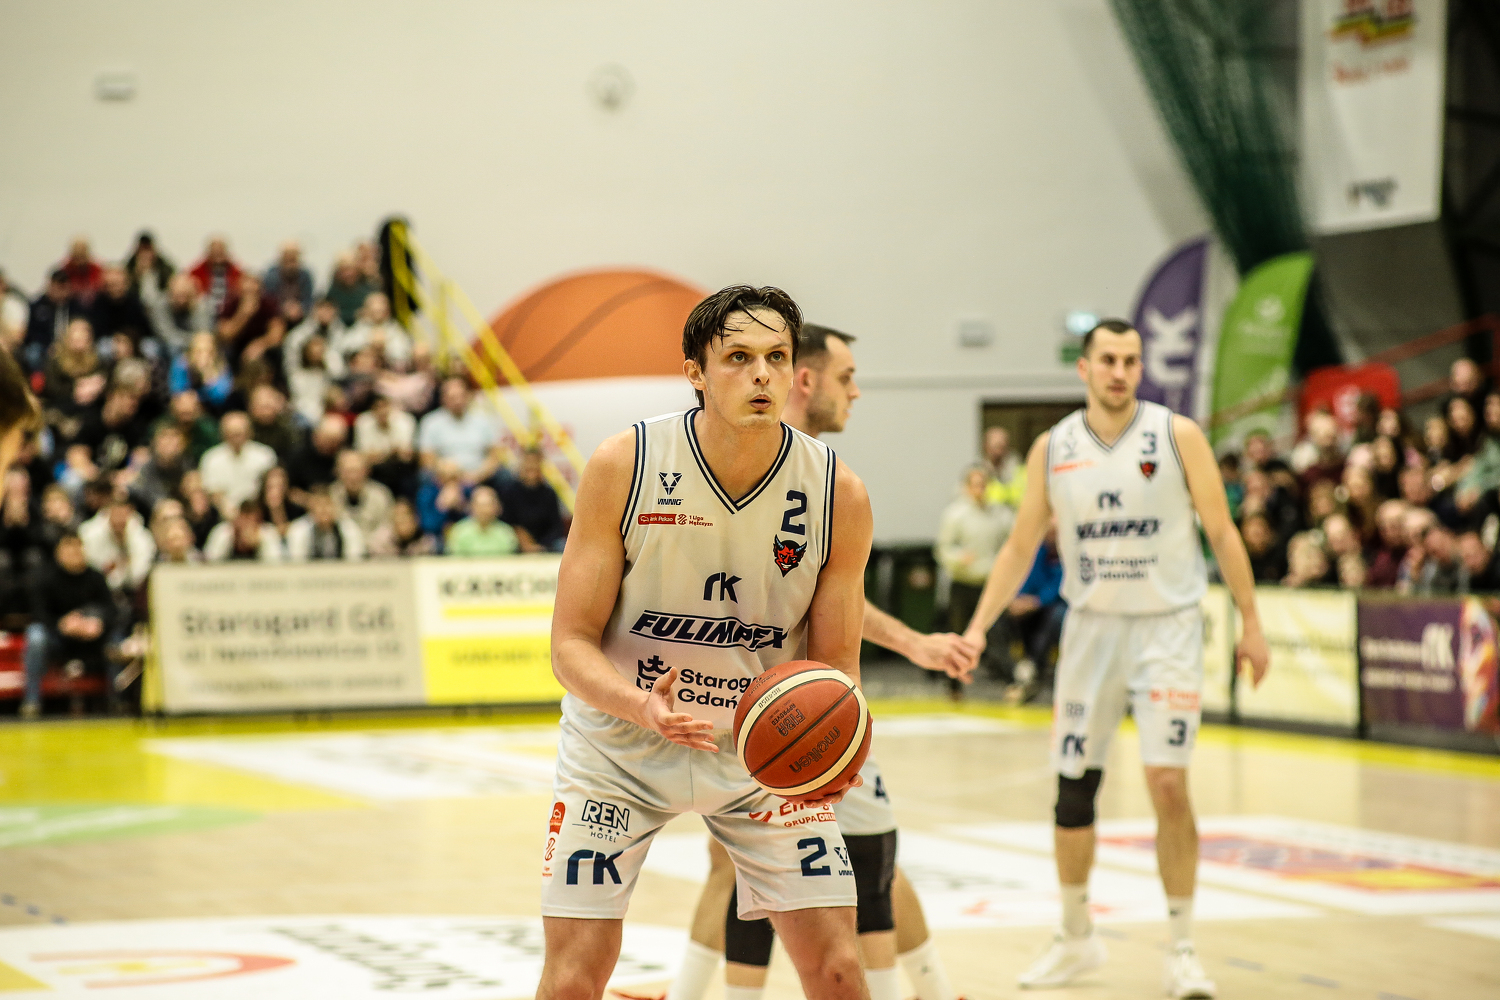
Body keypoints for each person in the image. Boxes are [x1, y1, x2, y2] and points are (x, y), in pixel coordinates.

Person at [535, 286, 873, 1000]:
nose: (761, 374)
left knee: (840, 969)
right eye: (738, 358)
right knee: (572, 980)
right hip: (619, 747)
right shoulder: (624, 464)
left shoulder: (837, 492)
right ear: (695, 371)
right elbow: (570, 646)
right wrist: (639, 705)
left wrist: (839, 748)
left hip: (763, 752)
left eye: (776, 357)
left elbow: (837, 666)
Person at [661, 321, 974, 1000]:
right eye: (847, 377)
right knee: (806, 861)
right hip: (774, 706)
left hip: (805, 704)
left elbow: (839, 597)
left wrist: (911, 643)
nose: (856, 392)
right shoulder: (729, 469)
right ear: (808, 380)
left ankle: (930, 989)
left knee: (860, 860)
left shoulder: (828, 479)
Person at [962, 319, 1269, 998]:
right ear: (1085, 367)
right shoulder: (1053, 447)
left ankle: (1182, 948)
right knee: (1075, 787)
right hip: (1091, 632)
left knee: (1168, 784)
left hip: (1168, 629)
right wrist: (979, 627)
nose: (1120, 371)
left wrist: (1252, 621)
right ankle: (1076, 937)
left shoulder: (1177, 435)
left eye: (1131, 360)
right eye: (1108, 359)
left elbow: (1222, 531)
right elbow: (1018, 546)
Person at [22, 533, 115, 719]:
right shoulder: (45, 578)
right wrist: (61, 624)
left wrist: (98, 623)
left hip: (91, 638)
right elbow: (38, 613)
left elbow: (111, 610)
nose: (74, 553)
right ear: (58, 553)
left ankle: (116, 700)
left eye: (77, 548)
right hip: (57, 638)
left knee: (117, 642)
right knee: (35, 636)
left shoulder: (96, 577)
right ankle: (32, 700)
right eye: (68, 549)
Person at [937, 465, 1014, 682]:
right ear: (967, 487)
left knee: (998, 634)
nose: (981, 489)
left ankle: (1008, 682)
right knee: (957, 634)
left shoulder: (1001, 515)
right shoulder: (955, 515)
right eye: (976, 485)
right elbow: (943, 548)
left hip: (990, 585)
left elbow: (1011, 546)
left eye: (984, 484)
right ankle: (954, 684)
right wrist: (958, 558)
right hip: (963, 582)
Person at [417, 376, 501, 483]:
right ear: (443, 399)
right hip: (444, 475)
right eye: (452, 397)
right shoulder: (430, 422)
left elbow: (494, 455)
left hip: (480, 474)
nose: (457, 401)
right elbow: (426, 459)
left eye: (461, 396)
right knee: (424, 476)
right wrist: (445, 470)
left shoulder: (484, 420)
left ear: (469, 395)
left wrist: (479, 474)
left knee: (505, 476)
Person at [198, 412, 278, 517]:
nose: (236, 437)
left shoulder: (264, 455)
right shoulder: (211, 458)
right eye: (232, 433)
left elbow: (272, 489)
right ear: (223, 434)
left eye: (239, 433)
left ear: (249, 432)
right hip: (225, 515)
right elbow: (213, 493)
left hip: (260, 513)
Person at [499, 449, 567, 552]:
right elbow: (504, 523)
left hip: (544, 544)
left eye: (535, 462)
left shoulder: (549, 493)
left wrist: (540, 545)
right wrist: (520, 538)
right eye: (528, 462)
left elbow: (556, 526)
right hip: (516, 541)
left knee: (562, 545)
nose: (531, 466)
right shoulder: (508, 491)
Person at [286, 486, 366, 562]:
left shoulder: (350, 529)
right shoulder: (298, 530)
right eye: (318, 505)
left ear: (335, 507)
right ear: (310, 508)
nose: (323, 510)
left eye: (327, 504)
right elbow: (297, 562)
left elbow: (355, 561)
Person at [444, 485, 518, 556]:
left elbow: (510, 559)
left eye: (488, 505)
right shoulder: (459, 531)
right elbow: (453, 559)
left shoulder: (506, 532)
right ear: (471, 506)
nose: (484, 510)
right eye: (480, 505)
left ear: (497, 507)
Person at [982, 426, 1025, 508]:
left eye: (1002, 447)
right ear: (986, 446)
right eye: (996, 446)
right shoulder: (978, 469)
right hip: (988, 512)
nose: (998, 452)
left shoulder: (1018, 467)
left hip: (1014, 511)